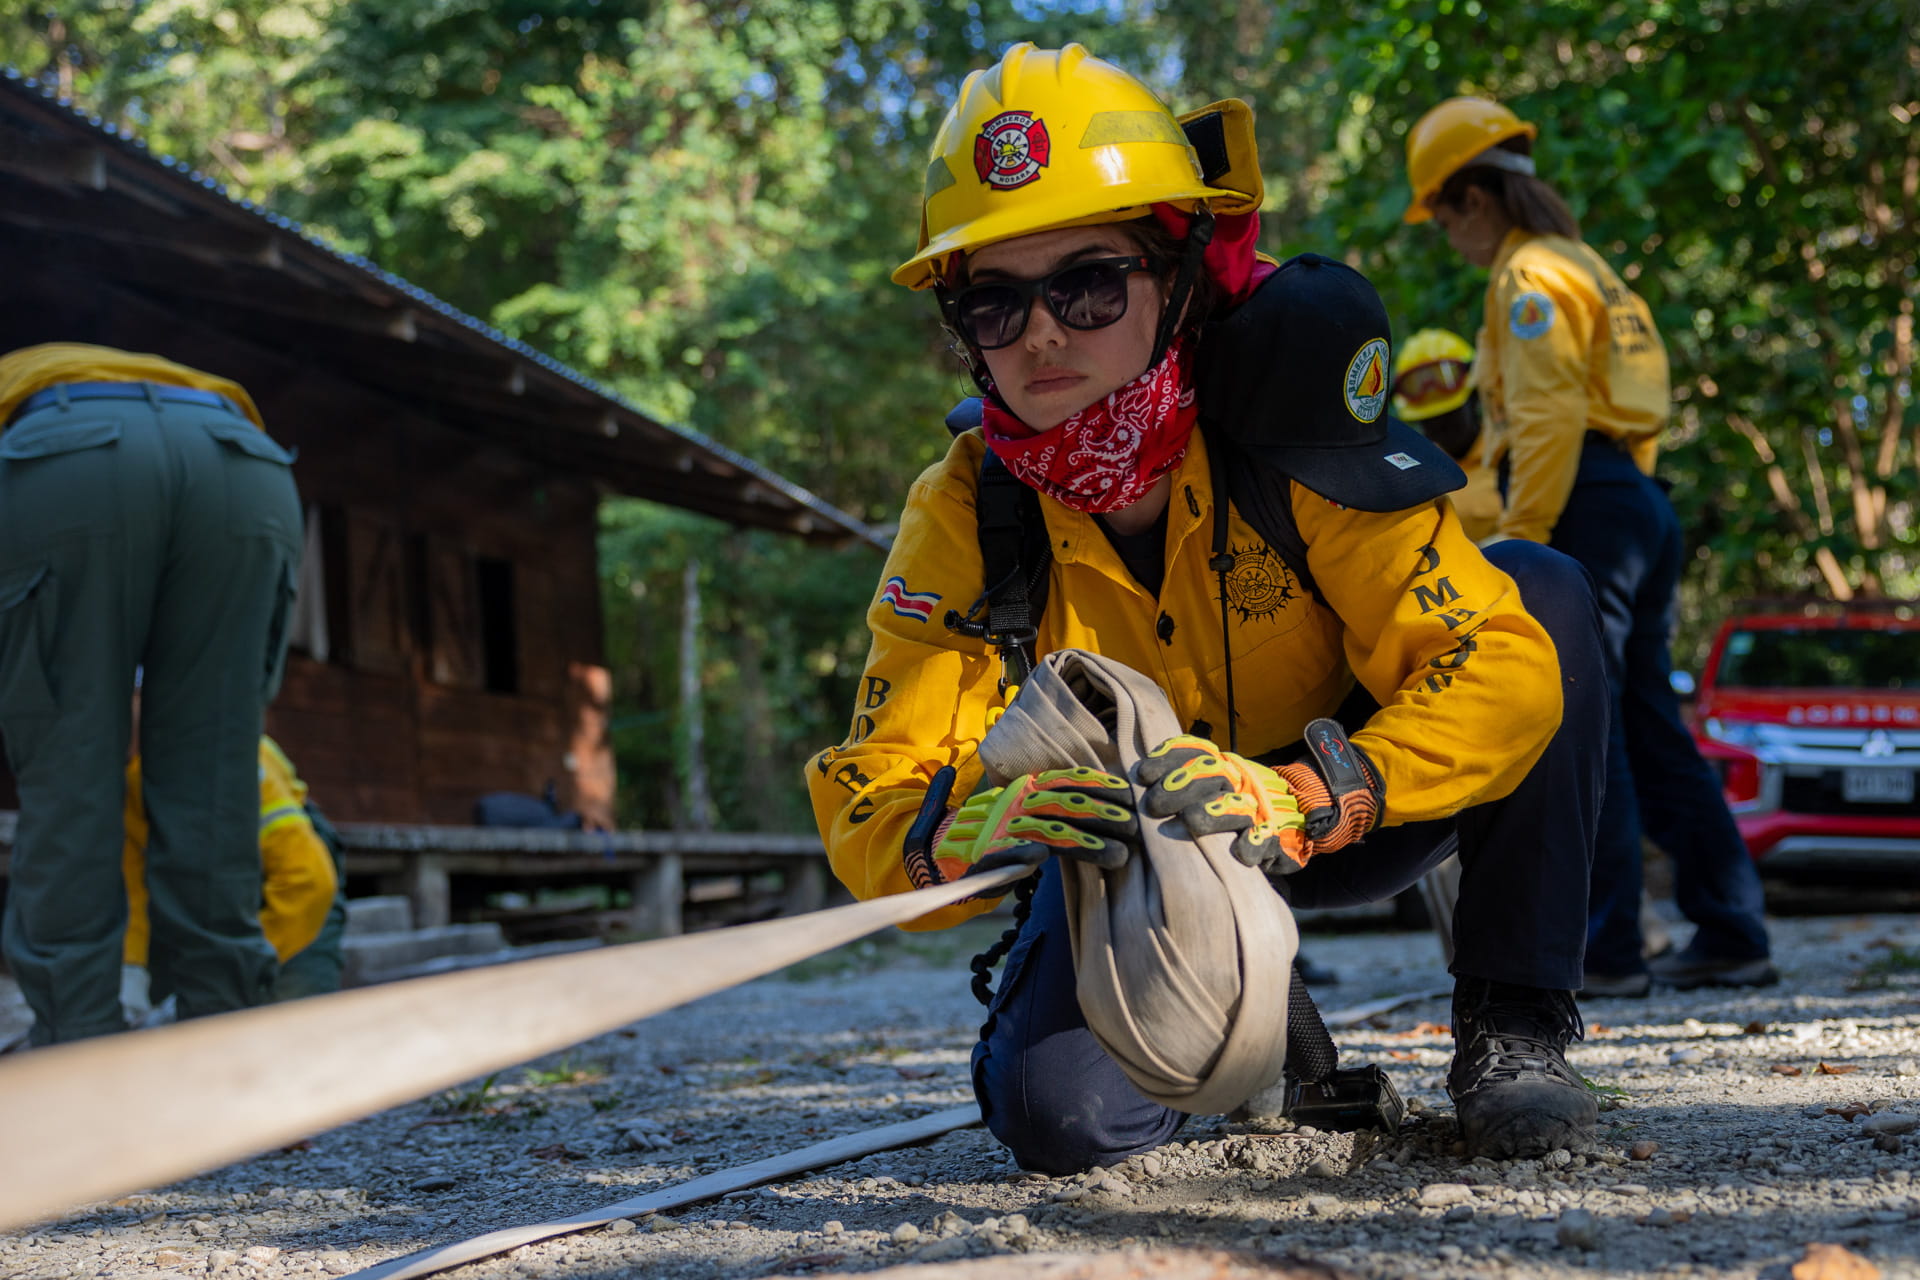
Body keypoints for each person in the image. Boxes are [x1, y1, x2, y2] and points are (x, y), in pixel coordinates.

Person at [807, 44, 1613, 1173]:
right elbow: (872, 777)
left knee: (1544, 594)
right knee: (1061, 1117)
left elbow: (1493, 663)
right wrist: (940, 838)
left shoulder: (1290, 424)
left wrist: (1306, 792)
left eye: (1088, 285)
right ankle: (1266, 1023)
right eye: (993, 300)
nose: (1042, 332)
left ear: (1175, 278)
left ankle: (1515, 1027)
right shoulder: (967, 503)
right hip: (1143, 847)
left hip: (1352, 797)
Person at [1403, 98, 1775, 997]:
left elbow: (1546, 416)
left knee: (1583, 724)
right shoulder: (1590, 268)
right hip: (1636, 496)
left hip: (1583, 500)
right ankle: (1730, 928)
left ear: (1475, 199)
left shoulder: (1527, 278)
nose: (1448, 234)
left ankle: (1608, 951)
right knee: (1648, 724)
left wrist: (1525, 549)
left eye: (1445, 215)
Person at [0, 343, 302, 1045]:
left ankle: (80, 1042)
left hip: (64, 460)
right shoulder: (86, 365)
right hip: (241, 457)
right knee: (216, 770)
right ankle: (225, 1039)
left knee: (70, 764)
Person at [120, 732, 347, 1025]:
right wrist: (132, 972)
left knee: (294, 1017)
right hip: (204, 899)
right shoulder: (136, 785)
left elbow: (309, 883)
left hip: (296, 891)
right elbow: (135, 889)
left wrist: (238, 968)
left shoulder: (244, 762)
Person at [1390, 328, 1501, 543]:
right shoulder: (1418, 479)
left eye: (1450, 415)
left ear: (1475, 398)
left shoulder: (1512, 456)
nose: (1440, 427)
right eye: (1430, 420)